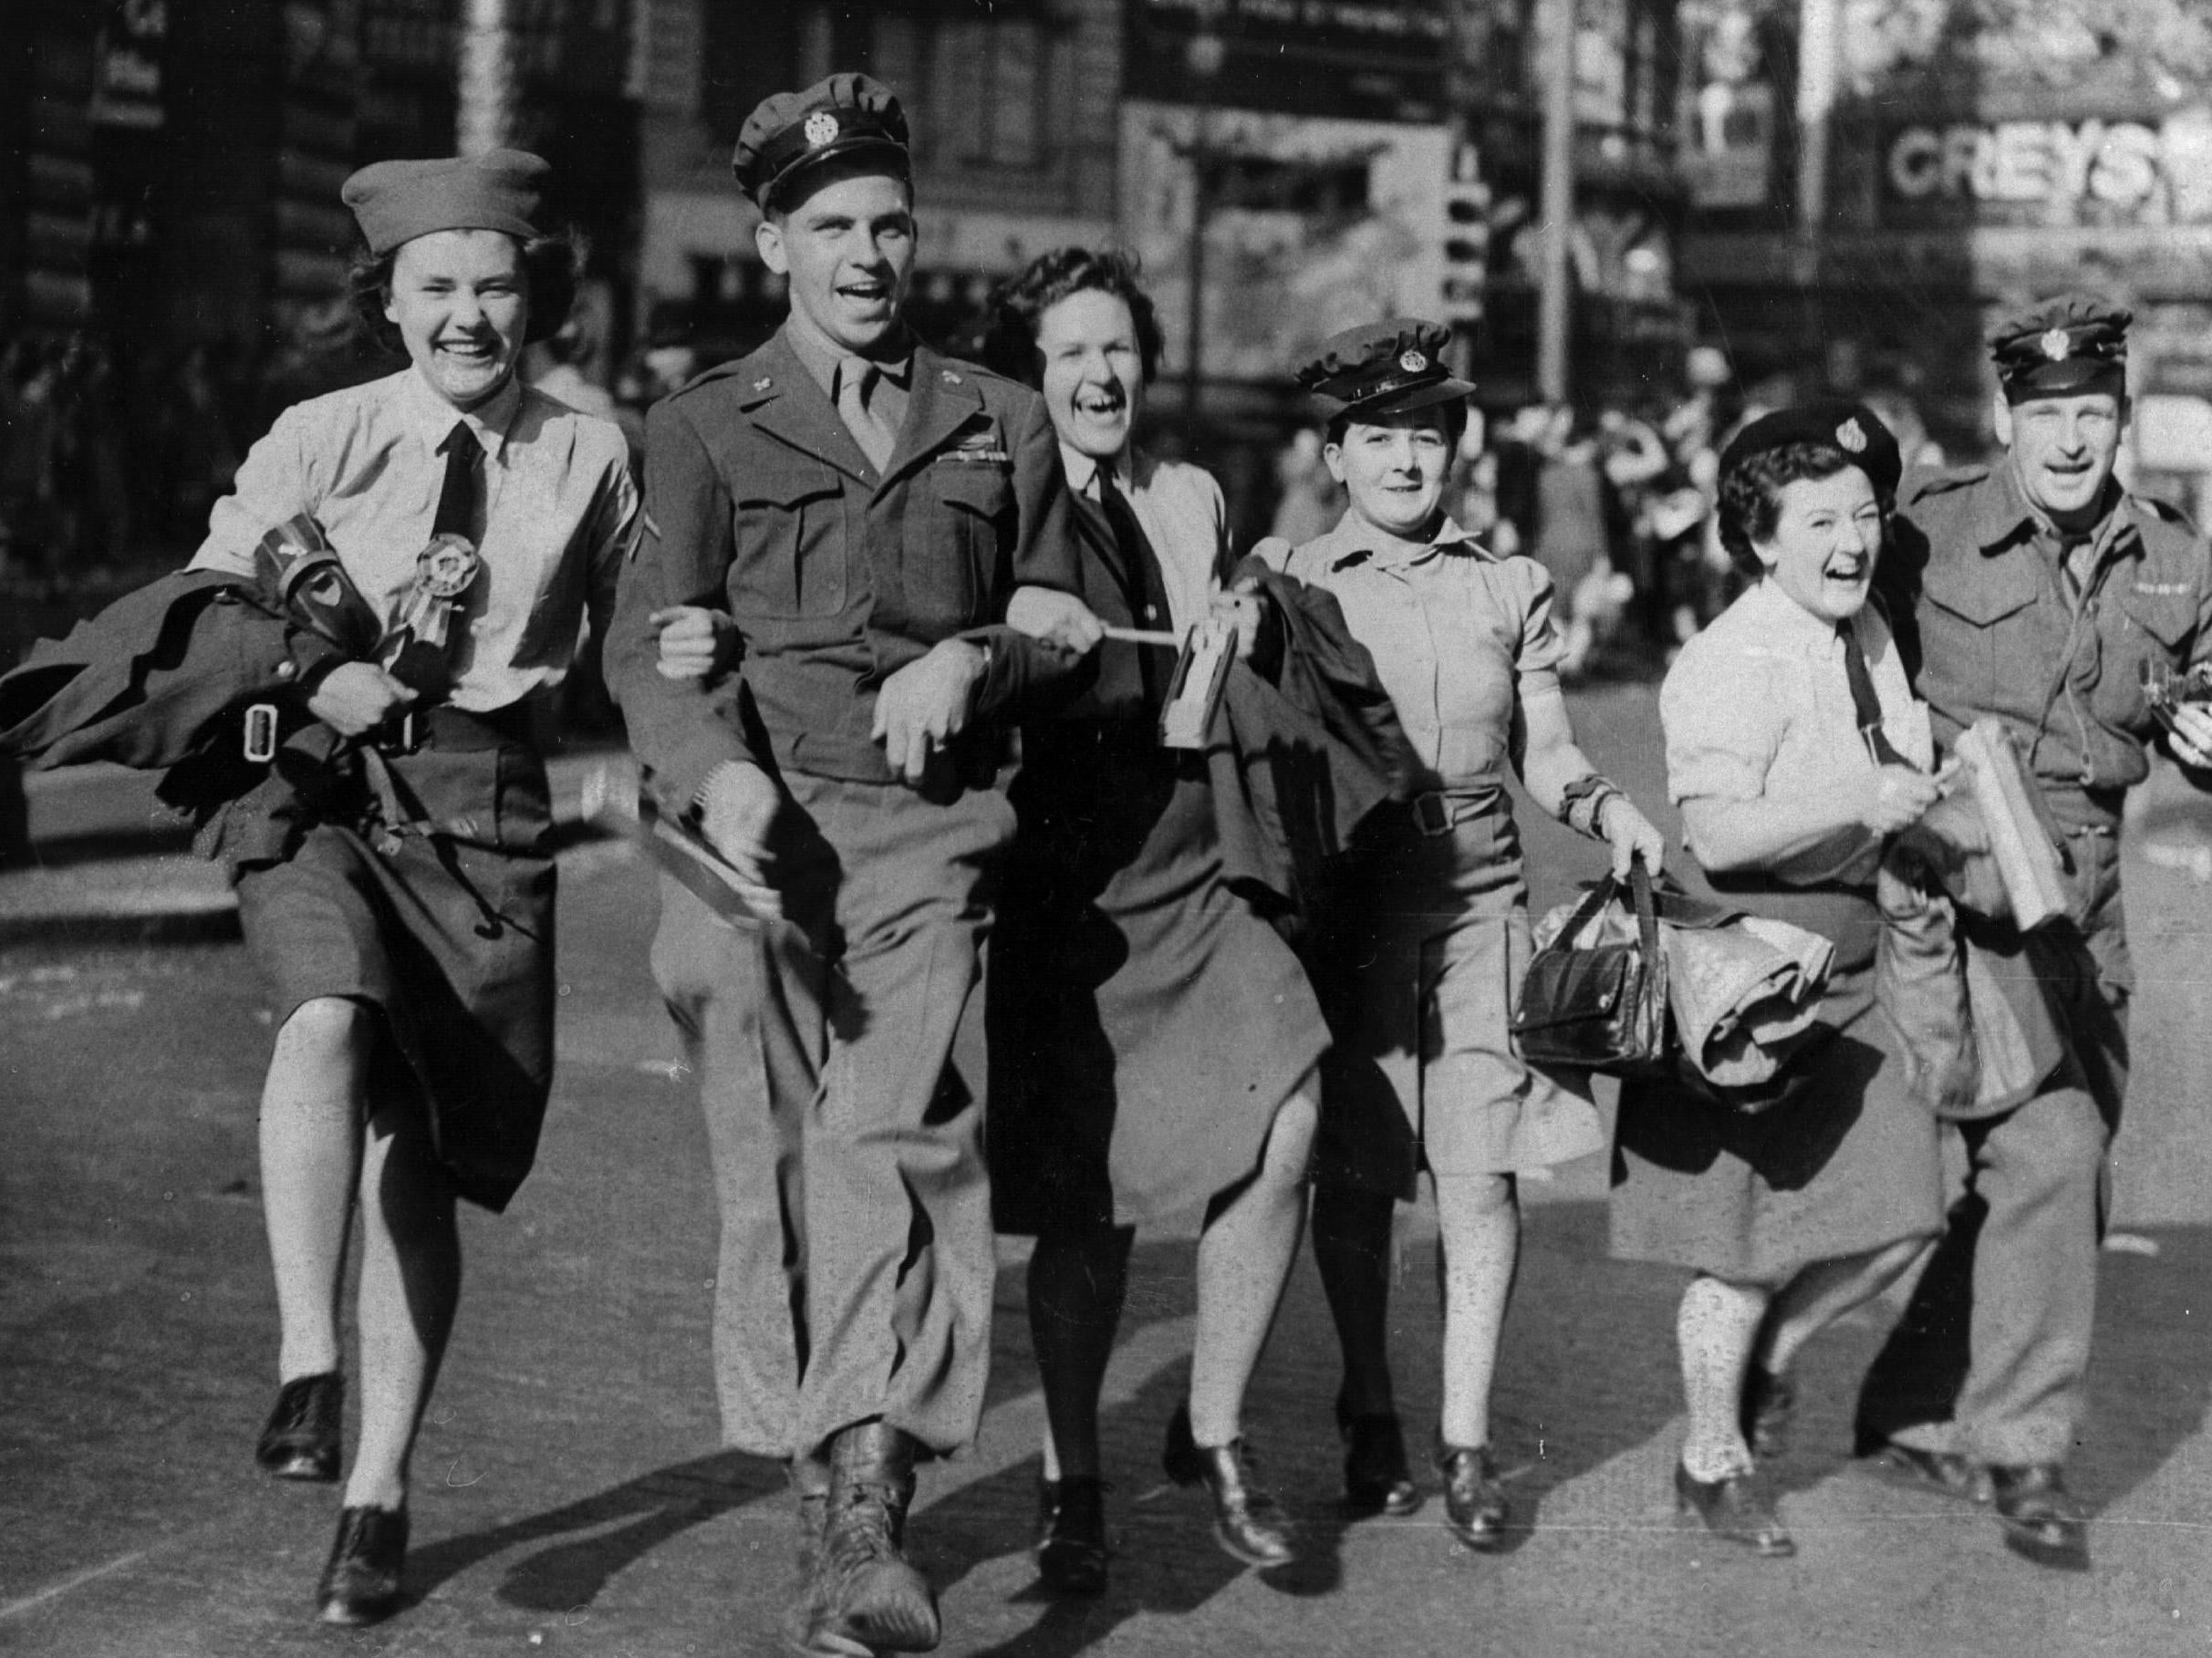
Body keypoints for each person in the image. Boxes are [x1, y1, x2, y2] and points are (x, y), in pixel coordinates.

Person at [605, 73, 1085, 1657]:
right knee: (782, 1154)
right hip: (748, 839)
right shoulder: (696, 424)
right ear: (772, 243)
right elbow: (650, 645)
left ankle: (871, 1492)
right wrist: (717, 766)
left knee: (895, 1128)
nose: (867, 254)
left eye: (888, 224)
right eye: (833, 228)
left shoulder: (997, 416)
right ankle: (829, 1461)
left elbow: (1053, 617)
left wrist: (980, 662)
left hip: (923, 827)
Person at [184, 150, 638, 1623]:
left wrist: (679, 699)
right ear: (387, 300)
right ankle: (307, 1363)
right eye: (434, 288)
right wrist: (323, 667)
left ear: (534, 296)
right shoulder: (320, 434)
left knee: (421, 1158)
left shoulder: (588, 454)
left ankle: (376, 1486)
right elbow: (211, 600)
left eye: (495, 286)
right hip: (318, 773)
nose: (467, 317)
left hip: (486, 806)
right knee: (320, 1013)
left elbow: (638, 634)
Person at [1259, 320, 1666, 1549]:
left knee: (1481, 1179)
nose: (1402, 456)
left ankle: (1468, 1441)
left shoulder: (1511, 587)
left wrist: (1606, 810)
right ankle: (1369, 1403)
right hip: (1351, 922)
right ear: (1336, 451)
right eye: (1376, 435)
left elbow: (1544, 751)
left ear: (1459, 446)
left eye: (1423, 432)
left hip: (1479, 908)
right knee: (1358, 1179)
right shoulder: (1292, 583)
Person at [979, 247, 1326, 1591]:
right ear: (1030, 373)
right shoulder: (997, 503)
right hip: (1072, 883)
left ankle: (1217, 1424)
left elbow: (1218, 637)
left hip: (1194, 857)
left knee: (1287, 1111)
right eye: (1067, 352)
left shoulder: (1187, 494)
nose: (1099, 374)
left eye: (1117, 348)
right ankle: (1074, 1478)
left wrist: (1245, 606)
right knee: (1093, 1202)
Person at [1854, 297, 2212, 1564]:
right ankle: (2022, 1446)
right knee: (2051, 1150)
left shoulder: (2174, 556)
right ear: (2006, 418)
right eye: (2045, 413)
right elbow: (1825, 646)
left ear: (2121, 421)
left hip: (2093, 904)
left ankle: (1905, 1401)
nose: (2069, 439)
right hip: (1962, 889)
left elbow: (2205, 692)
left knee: (2064, 1157)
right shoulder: (1925, 533)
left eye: (2092, 414)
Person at [1608, 401, 1947, 1558]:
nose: (1850, 542)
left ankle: (1763, 1371)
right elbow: (1719, 830)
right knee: (1742, 1250)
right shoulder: (1725, 658)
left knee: (1905, 1216)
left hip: (1858, 966)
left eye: (1863, 516)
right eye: (1819, 521)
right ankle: (1709, 1460)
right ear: (1760, 539)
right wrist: (1858, 802)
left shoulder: (1863, 635)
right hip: (1755, 988)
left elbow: (1899, 759)